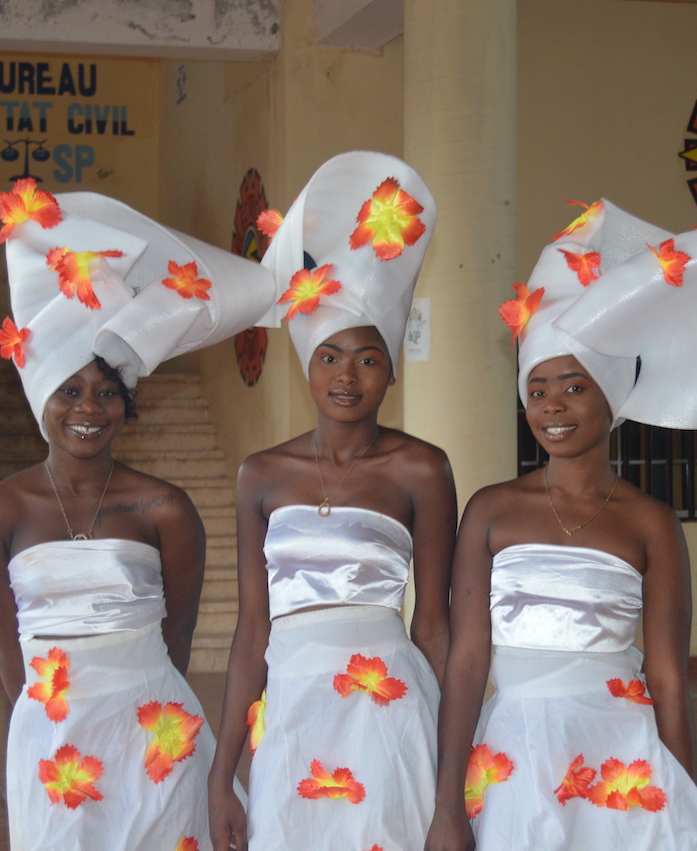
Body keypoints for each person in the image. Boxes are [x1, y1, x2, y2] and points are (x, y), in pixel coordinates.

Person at [425, 191, 697, 850]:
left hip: (623, 757)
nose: (553, 407)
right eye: (536, 390)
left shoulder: (649, 522)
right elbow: (465, 661)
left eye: (574, 386)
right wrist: (446, 804)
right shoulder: (491, 509)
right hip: (515, 755)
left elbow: (669, 677)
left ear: (612, 396)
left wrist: (681, 801)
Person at [0, 182, 276, 850]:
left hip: (154, 730)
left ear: (127, 402)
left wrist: (133, 699)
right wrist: (55, 721)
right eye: (70, 391)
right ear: (41, 397)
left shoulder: (165, 506)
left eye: (108, 392)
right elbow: (4, 641)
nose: (89, 407)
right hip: (53, 740)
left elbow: (180, 629)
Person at [207, 152, 458, 851]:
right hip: (292, 712)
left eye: (368, 357)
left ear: (391, 371)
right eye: (330, 356)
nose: (348, 374)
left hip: (389, 710)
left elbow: (434, 626)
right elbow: (252, 632)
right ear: (307, 363)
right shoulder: (261, 473)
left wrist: (448, 772)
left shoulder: (421, 469)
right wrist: (220, 772)